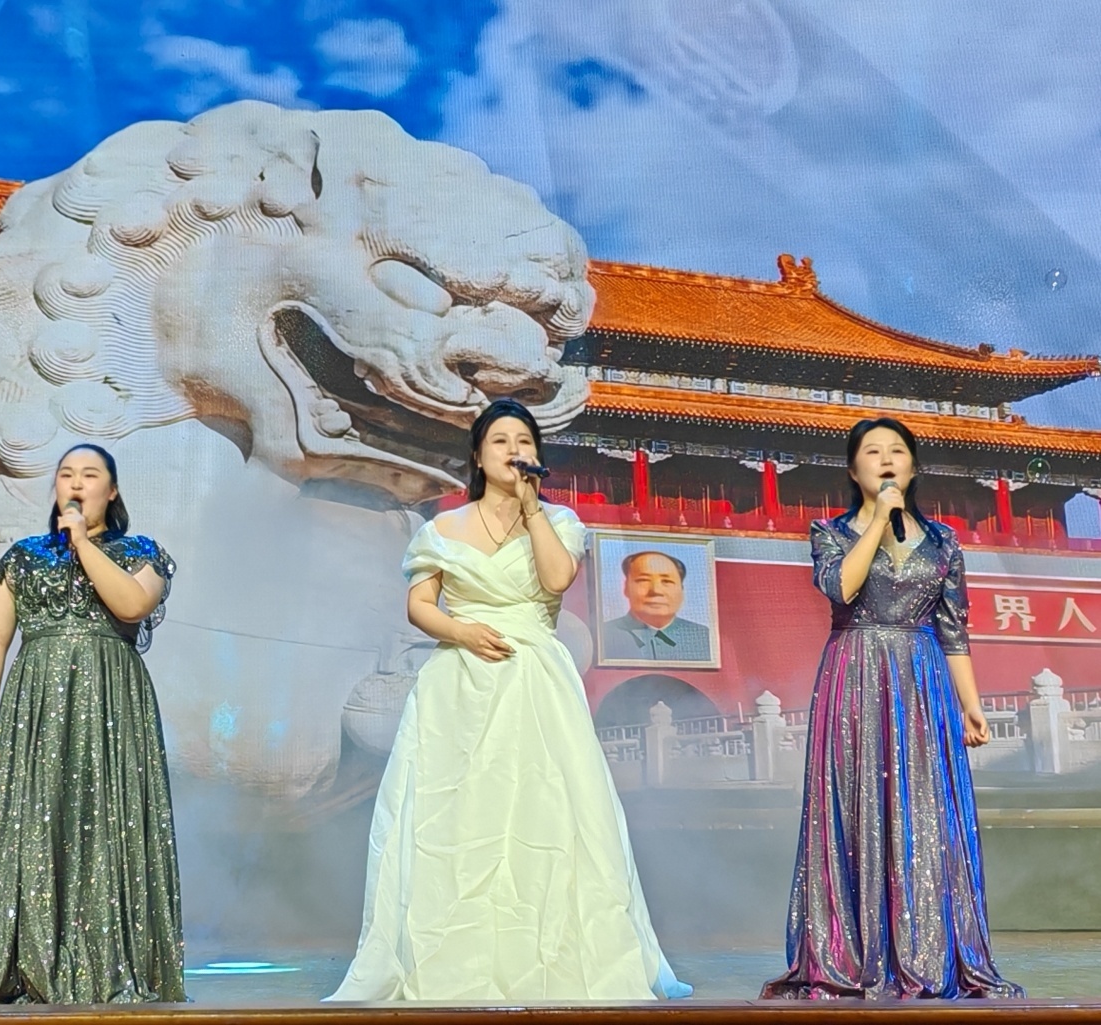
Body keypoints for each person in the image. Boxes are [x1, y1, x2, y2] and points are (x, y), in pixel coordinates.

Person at [327, 398, 691, 1002]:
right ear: (477, 455)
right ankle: (456, 960)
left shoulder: (558, 520)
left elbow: (555, 580)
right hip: (459, 681)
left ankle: (555, 956)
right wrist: (462, 631)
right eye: (500, 440)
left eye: (524, 441)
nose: (513, 450)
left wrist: (531, 509)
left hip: (535, 678)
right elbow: (419, 605)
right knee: (459, 814)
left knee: (548, 810)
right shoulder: (442, 530)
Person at [761, 418, 1022, 1000]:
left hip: (923, 682)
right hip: (854, 677)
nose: (886, 460)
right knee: (857, 809)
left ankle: (930, 950)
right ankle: (852, 954)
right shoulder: (829, 532)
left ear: (914, 466)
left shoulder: (944, 541)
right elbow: (841, 588)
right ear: (853, 470)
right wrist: (879, 518)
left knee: (925, 812)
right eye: (873, 452)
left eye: (897, 451)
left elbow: (953, 629)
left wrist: (971, 705)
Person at [0, 444, 185, 1004]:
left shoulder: (142, 552)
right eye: (66, 474)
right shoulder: (24, 558)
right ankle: (30, 960)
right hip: (37, 705)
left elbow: (131, 606)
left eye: (90, 475)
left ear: (111, 491)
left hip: (111, 706)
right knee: (35, 822)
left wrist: (81, 543)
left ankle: (109, 959)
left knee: (107, 822)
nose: (76, 483)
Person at [600, 551, 712, 662]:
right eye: (643, 580)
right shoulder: (602, 635)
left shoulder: (703, 638)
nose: (656, 590)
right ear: (626, 587)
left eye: (667, 581)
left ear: (682, 590)